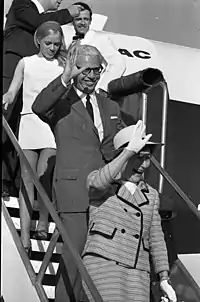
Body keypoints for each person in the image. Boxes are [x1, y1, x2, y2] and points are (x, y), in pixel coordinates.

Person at [32, 44, 125, 302]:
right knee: (75, 258)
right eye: (85, 70)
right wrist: (65, 78)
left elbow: (114, 144)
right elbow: (39, 106)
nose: (91, 76)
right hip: (74, 191)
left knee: (97, 261)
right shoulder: (61, 102)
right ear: (74, 69)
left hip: (106, 192)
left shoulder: (109, 105)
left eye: (96, 70)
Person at [82, 121, 177, 302]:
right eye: (138, 156)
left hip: (137, 272)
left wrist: (164, 277)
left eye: (147, 158)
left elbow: (156, 238)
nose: (143, 164)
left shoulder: (151, 195)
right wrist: (128, 152)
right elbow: (99, 182)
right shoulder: (101, 183)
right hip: (105, 265)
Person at [2, 0, 84, 198]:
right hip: (12, 72)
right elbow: (38, 22)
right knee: (7, 123)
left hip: (33, 90)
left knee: (17, 128)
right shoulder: (22, 4)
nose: (60, 0)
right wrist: (68, 13)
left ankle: (9, 181)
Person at [3, 21, 67, 253]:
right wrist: (8, 97)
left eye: (56, 44)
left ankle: (43, 220)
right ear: (38, 40)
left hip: (50, 124)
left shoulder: (63, 66)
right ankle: (26, 237)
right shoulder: (26, 63)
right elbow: (14, 89)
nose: (52, 48)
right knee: (27, 180)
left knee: (44, 175)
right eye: (48, 43)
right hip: (29, 121)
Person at [61, 1, 126, 94]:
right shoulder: (66, 39)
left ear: (90, 21)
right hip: (67, 92)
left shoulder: (99, 39)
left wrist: (102, 87)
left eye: (86, 19)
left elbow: (118, 63)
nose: (82, 23)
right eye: (78, 19)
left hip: (88, 91)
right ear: (72, 21)